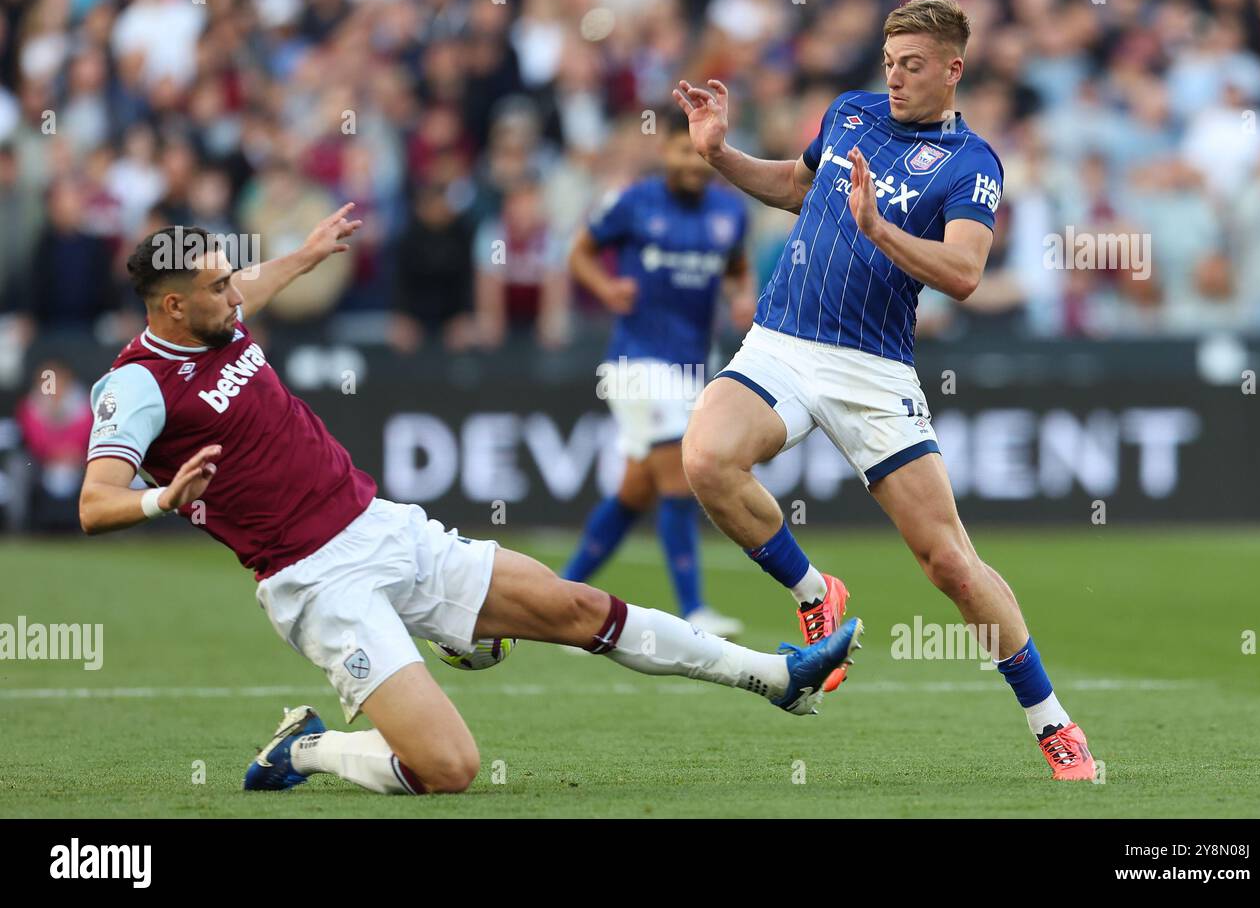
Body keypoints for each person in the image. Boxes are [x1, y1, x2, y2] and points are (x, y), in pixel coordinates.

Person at [77, 209, 862, 797]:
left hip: (380, 525)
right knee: (448, 769)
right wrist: (163, 502)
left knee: (581, 608)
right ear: (171, 309)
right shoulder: (137, 386)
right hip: (315, 583)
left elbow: (251, 283)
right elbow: (92, 504)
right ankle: (305, 750)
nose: (233, 295)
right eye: (215, 288)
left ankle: (775, 677)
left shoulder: (215, 315)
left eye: (227, 278)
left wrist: (309, 256)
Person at [673, 0, 1095, 780]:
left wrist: (881, 231)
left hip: (872, 371)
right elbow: (797, 188)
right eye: (890, 61)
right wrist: (720, 154)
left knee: (950, 565)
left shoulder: (973, 163)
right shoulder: (851, 113)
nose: (895, 77)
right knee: (705, 460)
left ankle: (1054, 724)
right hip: (781, 341)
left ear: (952, 69)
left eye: (912, 65)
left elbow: (965, 273)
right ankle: (814, 591)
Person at [562, 113, 753, 637]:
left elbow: (737, 270)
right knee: (679, 477)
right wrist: (605, 289)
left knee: (634, 491)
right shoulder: (634, 202)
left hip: (693, 363)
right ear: (665, 153)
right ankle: (694, 611)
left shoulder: (729, 213)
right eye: (679, 151)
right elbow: (578, 252)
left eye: (698, 153)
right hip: (636, 362)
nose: (690, 162)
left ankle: (558, 595)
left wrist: (742, 297)